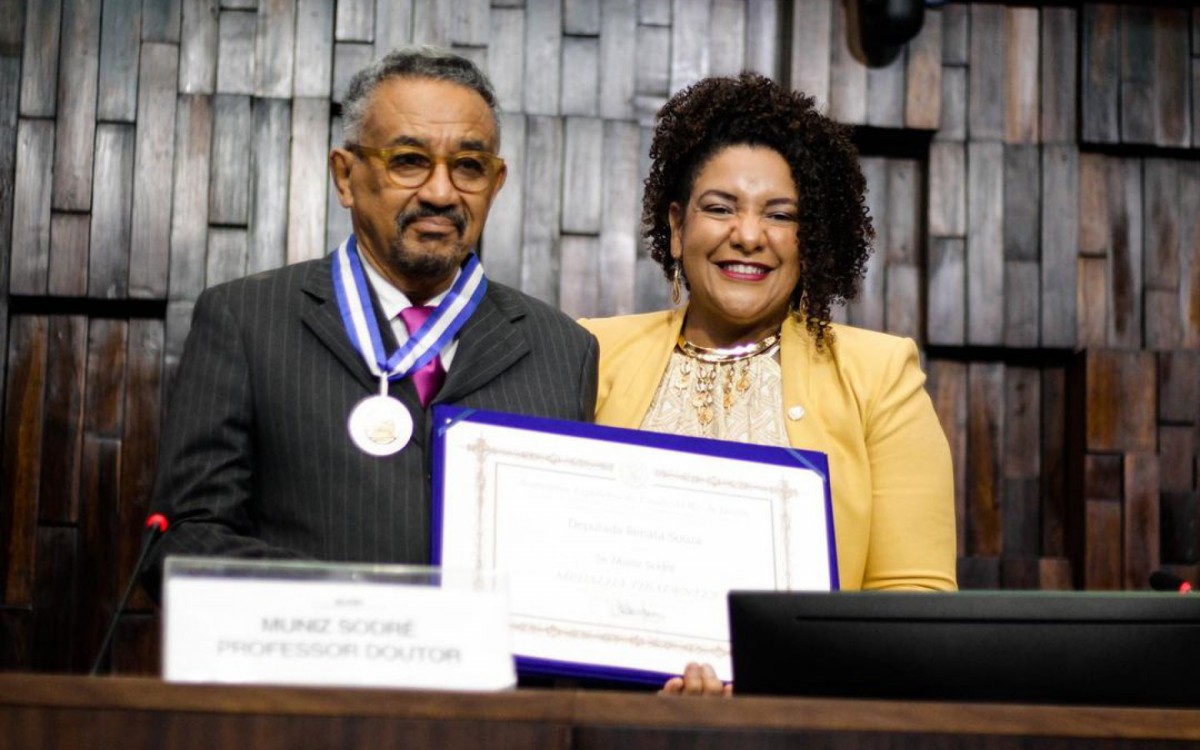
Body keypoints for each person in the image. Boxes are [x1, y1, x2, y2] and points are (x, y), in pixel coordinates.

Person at [143, 47, 598, 596]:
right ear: (345, 176)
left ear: (496, 183)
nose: (441, 192)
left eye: (469, 167)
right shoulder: (245, 322)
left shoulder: (563, 351)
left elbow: (570, 563)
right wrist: (360, 611)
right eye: (408, 160)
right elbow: (186, 538)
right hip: (312, 651)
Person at [579, 72, 957, 695]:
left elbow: (913, 602)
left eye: (780, 215)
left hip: (805, 721)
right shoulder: (588, 353)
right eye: (719, 207)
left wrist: (775, 686)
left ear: (809, 240)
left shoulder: (879, 375)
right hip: (611, 714)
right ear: (677, 226)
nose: (749, 235)